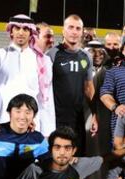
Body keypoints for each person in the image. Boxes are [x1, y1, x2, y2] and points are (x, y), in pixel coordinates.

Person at [0, 14, 56, 137]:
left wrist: (47, 131)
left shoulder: (42, 61)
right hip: (1, 123)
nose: (21, 32)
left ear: (31, 32)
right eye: (17, 28)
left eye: (25, 29)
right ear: (11, 31)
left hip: (31, 126)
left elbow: (46, 99)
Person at [47, 14, 97, 154]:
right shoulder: (52, 54)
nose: (74, 32)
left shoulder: (86, 56)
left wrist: (94, 114)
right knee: (57, 156)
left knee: (77, 156)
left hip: (78, 118)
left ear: (82, 32)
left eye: (78, 28)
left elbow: (89, 88)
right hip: (56, 117)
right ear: (63, 30)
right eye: (70, 27)